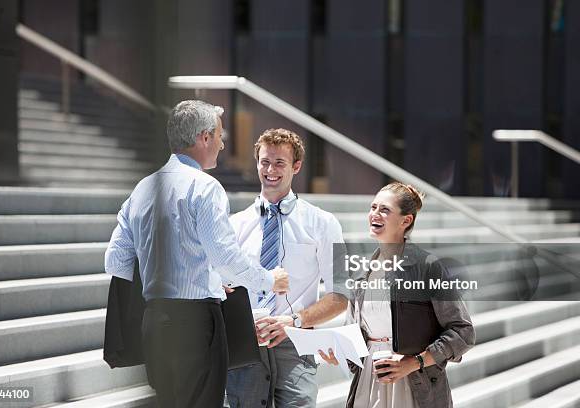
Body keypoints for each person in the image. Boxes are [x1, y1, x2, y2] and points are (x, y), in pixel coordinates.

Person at [104, 100, 289, 408]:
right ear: (204, 137)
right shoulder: (205, 187)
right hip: (196, 323)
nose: (222, 142)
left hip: (154, 320)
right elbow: (226, 258)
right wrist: (269, 280)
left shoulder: (143, 188)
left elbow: (116, 261)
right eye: (219, 134)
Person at [319, 182, 475, 408]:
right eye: (373, 207)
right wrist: (342, 354)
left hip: (414, 383)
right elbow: (355, 336)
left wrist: (415, 362)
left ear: (406, 221)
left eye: (385, 209)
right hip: (369, 381)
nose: (375, 214)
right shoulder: (363, 271)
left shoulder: (427, 267)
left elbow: (463, 332)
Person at [226, 128, 348, 407]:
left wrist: (292, 321)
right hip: (244, 348)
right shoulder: (233, 225)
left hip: (295, 346)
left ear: (296, 166)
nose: (271, 170)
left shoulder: (325, 223)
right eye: (264, 161)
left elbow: (341, 296)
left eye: (280, 163)